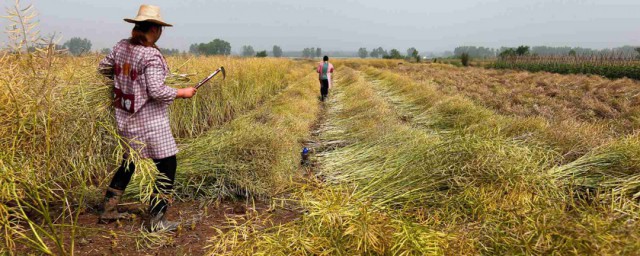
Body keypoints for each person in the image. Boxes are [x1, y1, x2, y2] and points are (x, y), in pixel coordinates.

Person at [97, 5, 197, 232]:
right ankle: (158, 220)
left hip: (124, 116)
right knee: (167, 165)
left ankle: (108, 209)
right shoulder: (151, 55)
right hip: (149, 122)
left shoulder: (122, 46)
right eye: (159, 29)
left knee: (129, 161)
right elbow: (156, 90)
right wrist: (182, 92)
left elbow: (103, 67)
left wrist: (125, 80)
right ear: (154, 28)